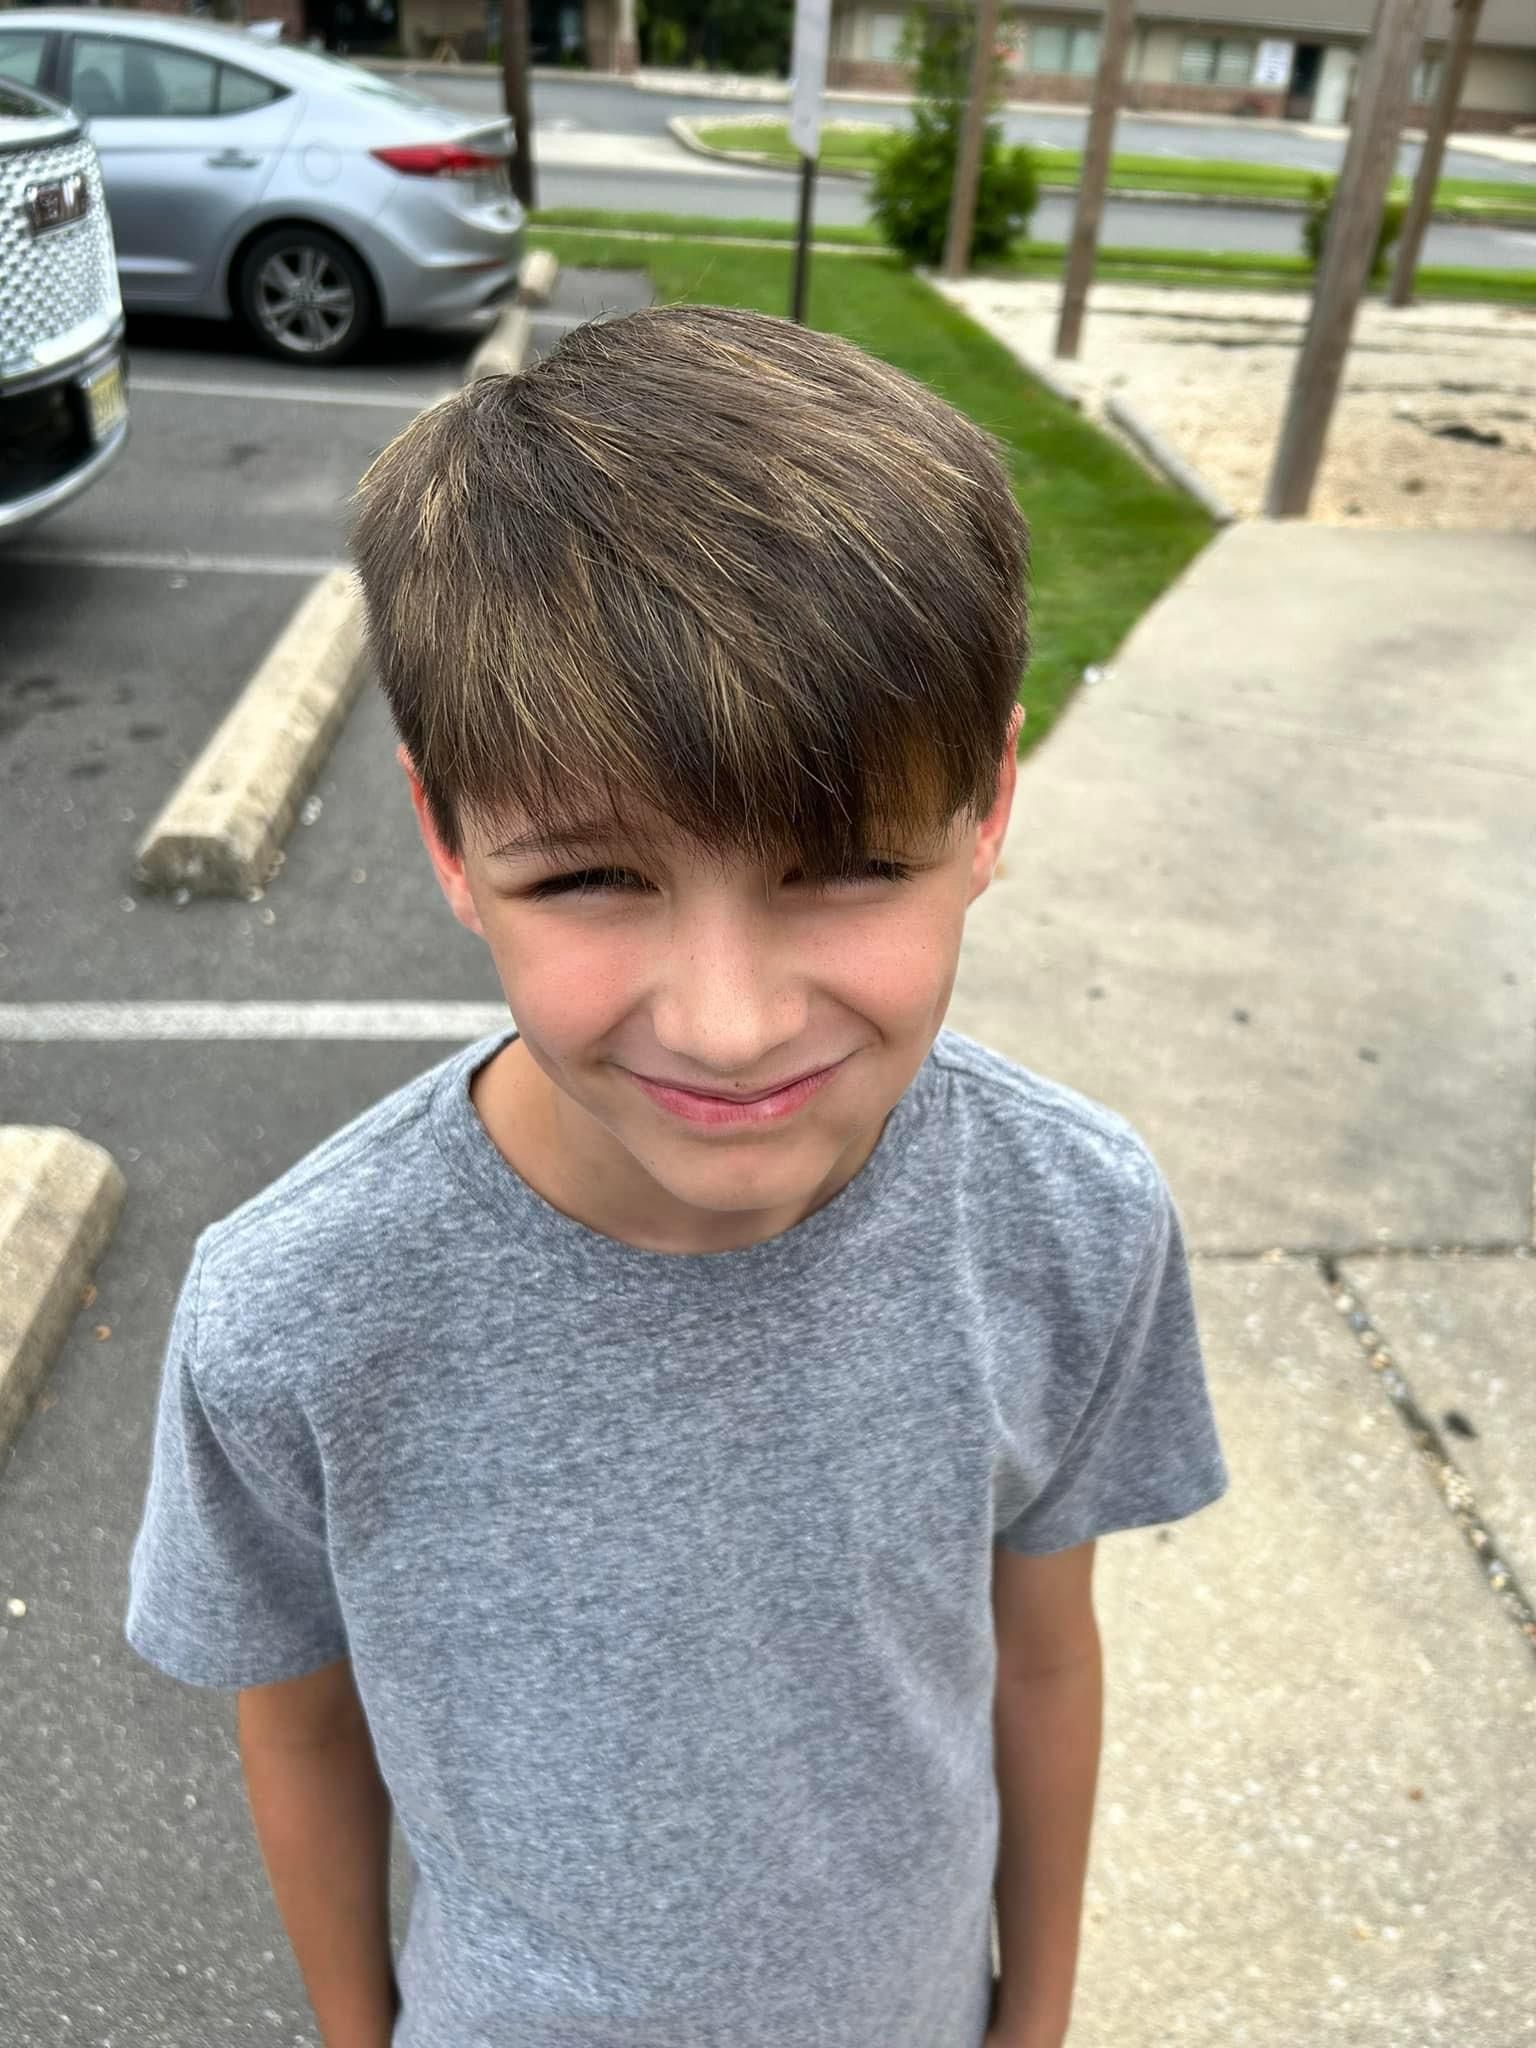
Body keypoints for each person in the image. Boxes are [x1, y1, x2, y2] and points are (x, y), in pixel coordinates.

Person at [124, 303, 1229, 2048]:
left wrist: (1040, 2018)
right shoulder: (297, 1311)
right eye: (591, 880)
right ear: (449, 844)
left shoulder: (1068, 1221)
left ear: (993, 805)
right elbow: (300, 1721)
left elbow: (1043, 1655)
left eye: (847, 862)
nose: (727, 1024)